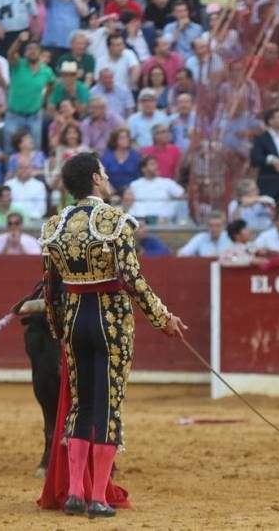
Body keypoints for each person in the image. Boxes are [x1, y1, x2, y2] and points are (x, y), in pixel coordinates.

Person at [38, 152, 185, 518]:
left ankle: (75, 493)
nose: (106, 175)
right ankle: (99, 496)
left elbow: (51, 290)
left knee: (79, 405)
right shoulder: (115, 221)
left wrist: (60, 331)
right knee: (107, 407)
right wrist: (162, 317)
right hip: (111, 322)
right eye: (103, 171)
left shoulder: (54, 226)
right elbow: (133, 281)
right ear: (95, 178)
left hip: (74, 321)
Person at [4, 32, 56, 155]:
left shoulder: (46, 71)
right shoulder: (18, 64)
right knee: (10, 148)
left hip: (34, 115)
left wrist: (44, 98)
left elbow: (51, 84)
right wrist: (19, 41)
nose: (32, 51)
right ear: (25, 52)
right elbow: (10, 54)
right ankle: (11, 172)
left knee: (35, 149)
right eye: (29, 49)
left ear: (40, 53)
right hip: (14, 115)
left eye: (35, 49)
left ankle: (34, 173)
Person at [128, 156, 185, 224]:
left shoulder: (167, 183)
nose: (156, 166)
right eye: (152, 164)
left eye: (156, 164)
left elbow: (183, 196)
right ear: (143, 169)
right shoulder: (134, 185)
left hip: (163, 220)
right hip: (141, 220)